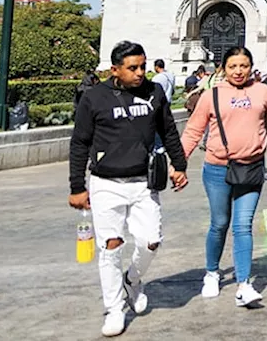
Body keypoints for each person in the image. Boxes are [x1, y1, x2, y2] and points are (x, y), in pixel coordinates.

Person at [68, 40, 188, 338]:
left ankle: (133, 280)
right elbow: (80, 142)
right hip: (106, 184)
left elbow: (168, 130)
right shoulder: (94, 97)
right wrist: (76, 186)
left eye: (143, 66)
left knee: (151, 241)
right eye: (132, 68)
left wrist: (180, 165)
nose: (139, 73)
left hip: (144, 183)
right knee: (111, 246)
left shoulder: (154, 92)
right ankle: (114, 308)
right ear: (115, 70)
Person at [181, 45, 267, 309]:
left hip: (251, 168)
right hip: (217, 169)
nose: (238, 71)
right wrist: (178, 164)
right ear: (223, 69)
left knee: (243, 225)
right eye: (233, 66)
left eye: (244, 66)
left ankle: (244, 284)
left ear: (251, 67)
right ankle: (212, 272)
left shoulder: (263, 92)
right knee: (219, 223)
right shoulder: (211, 95)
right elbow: (193, 130)